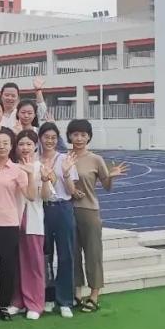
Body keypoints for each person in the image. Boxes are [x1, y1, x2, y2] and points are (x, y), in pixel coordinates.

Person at [67, 119, 128, 313]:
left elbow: (107, 186)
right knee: (73, 253)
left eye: (83, 135)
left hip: (89, 211)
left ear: (89, 137)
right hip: (67, 210)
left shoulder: (96, 159)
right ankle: (77, 292)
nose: (79, 138)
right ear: (69, 136)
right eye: (75, 134)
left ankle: (94, 295)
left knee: (93, 253)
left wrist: (111, 176)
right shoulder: (64, 157)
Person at [0, 129, 35, 321]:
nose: (1, 146)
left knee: (8, 265)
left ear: (11, 147)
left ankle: (3, 304)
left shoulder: (18, 169)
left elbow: (31, 196)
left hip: (9, 223)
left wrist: (31, 175)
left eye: (5, 143)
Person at [38, 122, 79, 318]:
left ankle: (65, 301)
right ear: (40, 138)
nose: (50, 141)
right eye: (46, 137)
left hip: (63, 208)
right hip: (42, 209)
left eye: (53, 138)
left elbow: (72, 191)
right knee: (45, 254)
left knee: (65, 254)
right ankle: (49, 296)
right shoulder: (34, 159)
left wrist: (67, 173)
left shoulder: (65, 159)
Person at [8, 130, 49, 320]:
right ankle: (18, 301)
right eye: (21, 144)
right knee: (16, 262)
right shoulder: (11, 167)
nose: (25, 148)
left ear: (35, 146)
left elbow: (45, 196)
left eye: (29, 144)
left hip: (32, 219)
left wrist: (43, 179)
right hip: (12, 218)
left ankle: (35, 303)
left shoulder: (40, 167)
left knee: (34, 262)